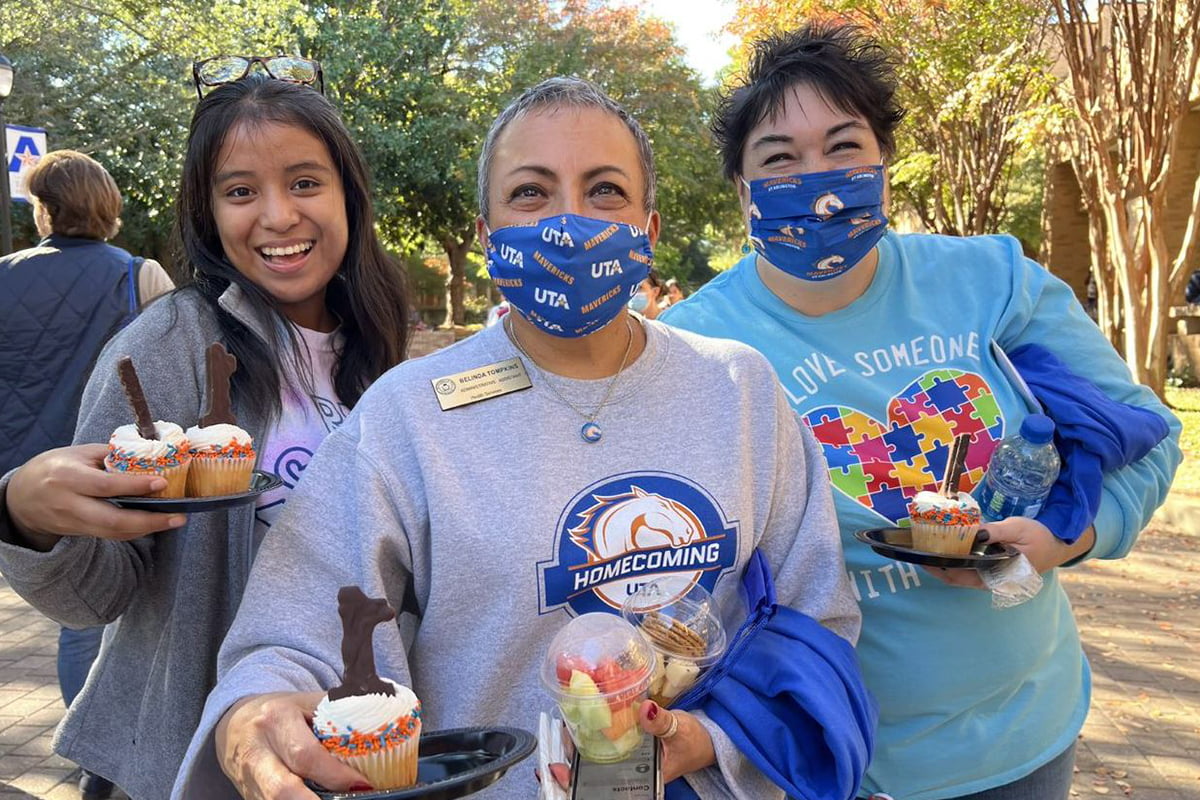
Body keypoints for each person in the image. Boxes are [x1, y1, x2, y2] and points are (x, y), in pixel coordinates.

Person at [172, 77, 864, 800]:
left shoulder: (740, 390)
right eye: (531, 194)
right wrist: (253, 713)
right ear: (487, 234)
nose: (568, 222)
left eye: (604, 192)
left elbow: (818, 618)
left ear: (650, 232)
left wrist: (711, 742)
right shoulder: (408, 417)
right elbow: (302, 627)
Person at [662, 24, 1181, 800]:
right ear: (741, 189)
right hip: (828, 752)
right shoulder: (692, 344)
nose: (820, 179)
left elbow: (1148, 439)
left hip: (1023, 734)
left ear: (883, 162)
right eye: (779, 158)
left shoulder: (991, 278)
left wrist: (1057, 539)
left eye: (844, 146)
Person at [0, 65, 411, 800]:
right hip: (193, 765)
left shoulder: (380, 348)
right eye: (241, 191)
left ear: (349, 193)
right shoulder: (170, 342)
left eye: (306, 183)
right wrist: (23, 519)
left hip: (353, 750)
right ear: (210, 211)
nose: (278, 216)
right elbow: (95, 597)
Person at [0, 149, 175, 799]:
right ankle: (96, 754)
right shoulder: (138, 276)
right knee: (91, 618)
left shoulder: (3, 277)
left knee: (68, 616)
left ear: (43, 209)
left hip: (16, 486)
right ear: (107, 206)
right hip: (109, 475)